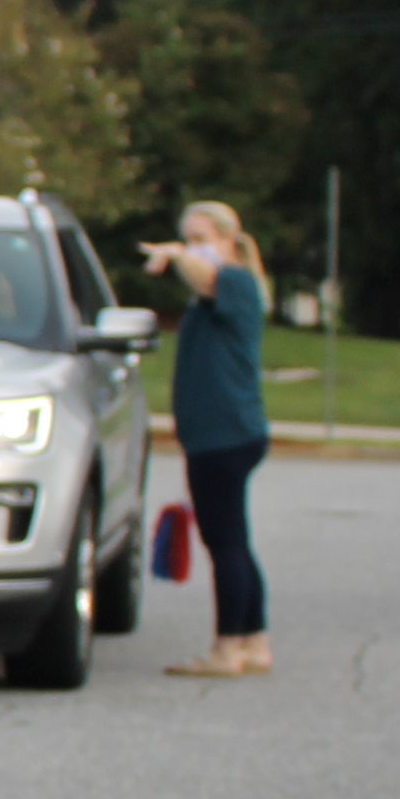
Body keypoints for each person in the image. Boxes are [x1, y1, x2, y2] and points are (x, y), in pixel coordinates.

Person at [140, 199, 274, 677]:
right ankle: (255, 641)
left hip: (226, 433)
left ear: (228, 241)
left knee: (225, 544)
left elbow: (204, 276)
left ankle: (226, 649)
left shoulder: (234, 280)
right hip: (216, 433)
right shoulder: (218, 289)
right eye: (188, 237)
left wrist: (177, 254)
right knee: (235, 539)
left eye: (202, 238)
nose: (194, 248)